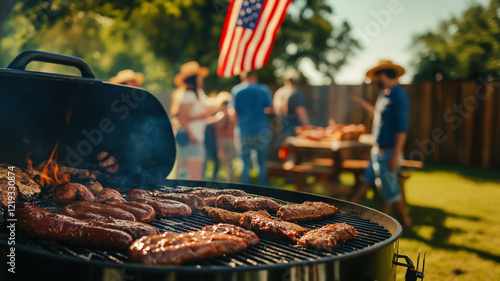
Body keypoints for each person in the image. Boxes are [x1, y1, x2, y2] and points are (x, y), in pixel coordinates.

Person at [350, 60, 412, 230]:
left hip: (389, 151)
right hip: (377, 151)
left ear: (382, 75)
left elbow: (402, 128)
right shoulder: (385, 94)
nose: (373, 81)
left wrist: (396, 154)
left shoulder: (398, 95)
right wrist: (365, 106)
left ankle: (405, 223)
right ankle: (350, 214)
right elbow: (379, 116)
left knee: (390, 190)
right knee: (366, 181)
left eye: (374, 77)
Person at [231, 71, 272, 186]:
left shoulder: (237, 90)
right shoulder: (264, 89)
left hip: (244, 131)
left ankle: (245, 190)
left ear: (243, 77)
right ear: (254, 76)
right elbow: (270, 108)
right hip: (262, 130)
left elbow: (233, 112)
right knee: (261, 163)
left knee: (244, 163)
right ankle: (263, 190)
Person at [173, 61, 211, 180]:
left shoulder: (197, 94)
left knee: (191, 173)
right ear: (194, 79)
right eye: (199, 77)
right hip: (191, 137)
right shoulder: (189, 95)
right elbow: (182, 117)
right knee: (193, 175)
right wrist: (191, 134)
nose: (201, 79)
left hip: (195, 136)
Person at [271, 68, 310, 160]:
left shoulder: (279, 92)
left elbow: (276, 111)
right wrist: (307, 126)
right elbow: (300, 111)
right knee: (293, 156)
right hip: (295, 129)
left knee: (284, 154)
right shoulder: (296, 93)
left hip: (281, 128)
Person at [213, 92, 236, 182]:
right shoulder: (228, 115)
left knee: (228, 164)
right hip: (228, 140)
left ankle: (231, 181)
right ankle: (230, 181)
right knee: (228, 163)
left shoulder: (222, 115)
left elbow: (219, 131)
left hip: (225, 140)